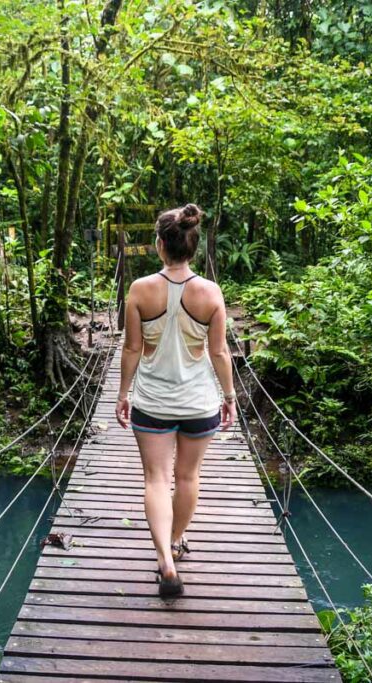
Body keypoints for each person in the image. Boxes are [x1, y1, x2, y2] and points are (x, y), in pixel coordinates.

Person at [115, 203, 237, 598]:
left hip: (151, 401)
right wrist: (230, 397)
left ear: (159, 246)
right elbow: (219, 353)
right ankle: (176, 541)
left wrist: (122, 393)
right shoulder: (211, 292)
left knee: (156, 478)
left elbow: (132, 349)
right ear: (193, 246)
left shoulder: (139, 289)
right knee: (186, 477)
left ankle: (164, 560)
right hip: (199, 402)